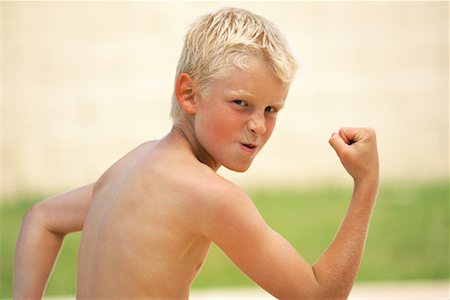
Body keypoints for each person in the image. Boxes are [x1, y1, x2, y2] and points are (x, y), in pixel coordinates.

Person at [13, 7, 379, 299]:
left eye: (271, 110)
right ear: (189, 94)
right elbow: (319, 295)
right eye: (241, 103)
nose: (258, 126)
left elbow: (41, 218)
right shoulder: (209, 195)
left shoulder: (130, 167)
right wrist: (366, 183)